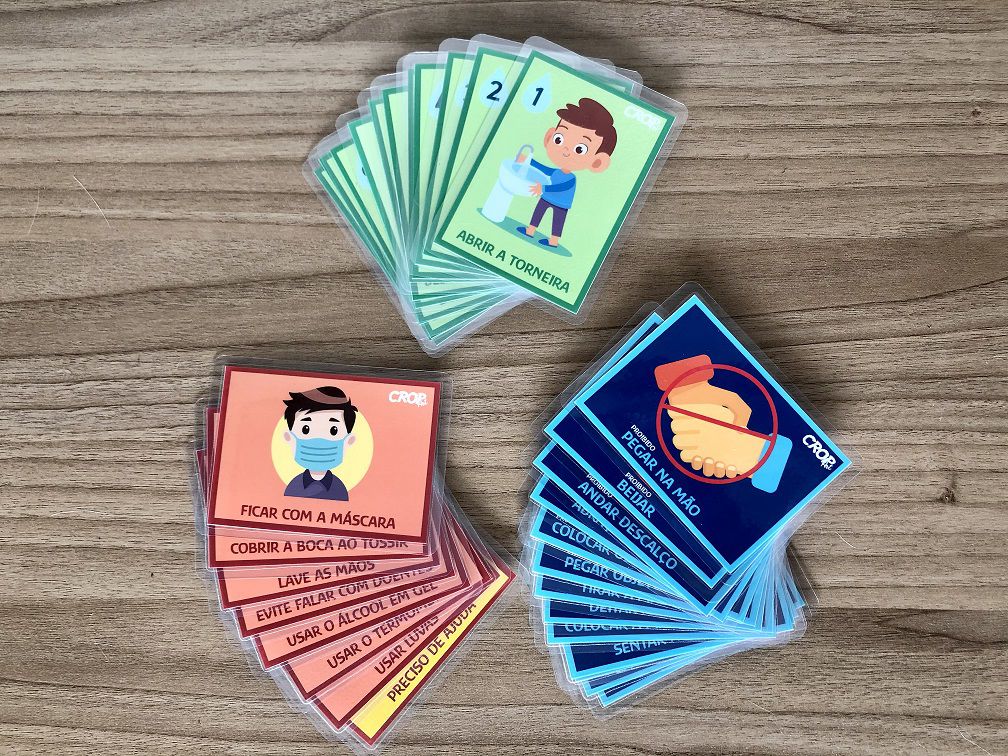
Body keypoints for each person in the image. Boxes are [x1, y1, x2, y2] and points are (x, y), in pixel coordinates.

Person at [516, 97, 617, 248]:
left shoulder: (571, 179)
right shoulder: (557, 172)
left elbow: (561, 187)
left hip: (561, 203)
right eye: (559, 139)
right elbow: (545, 169)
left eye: (580, 149)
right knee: (538, 213)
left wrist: (543, 188)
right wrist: (528, 160)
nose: (565, 150)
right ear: (549, 137)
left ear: (597, 162)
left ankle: (553, 241)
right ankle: (530, 230)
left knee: (557, 222)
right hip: (546, 197)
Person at [281, 386, 357, 501]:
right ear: (289, 438)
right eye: (305, 429)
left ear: (349, 441)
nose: (319, 439)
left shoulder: (339, 489)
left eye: (333, 430)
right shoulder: (293, 487)